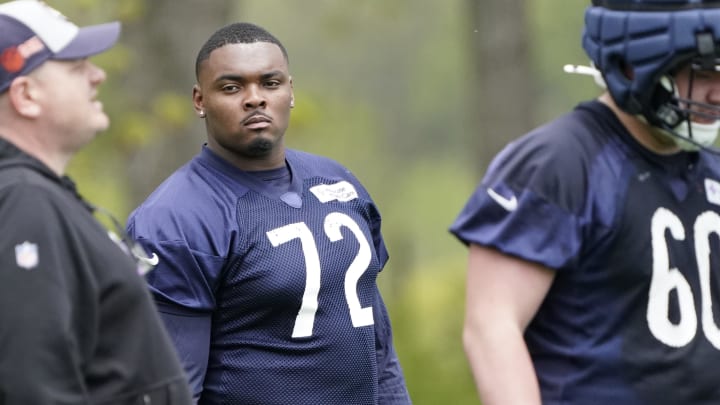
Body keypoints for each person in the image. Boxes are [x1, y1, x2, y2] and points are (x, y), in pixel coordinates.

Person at [126, 22, 412, 405]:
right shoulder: (174, 220)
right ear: (199, 100)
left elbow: (378, 350)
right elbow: (170, 393)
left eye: (270, 83)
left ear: (290, 91)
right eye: (232, 87)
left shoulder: (339, 182)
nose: (255, 98)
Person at [450, 1, 720, 404]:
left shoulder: (711, 170)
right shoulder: (560, 164)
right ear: (636, 65)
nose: (716, 90)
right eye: (703, 70)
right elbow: (492, 326)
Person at [0, 1, 193, 404]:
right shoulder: (25, 203)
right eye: (76, 67)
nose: (98, 75)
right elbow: (32, 387)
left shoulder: (35, 196)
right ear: (26, 95)